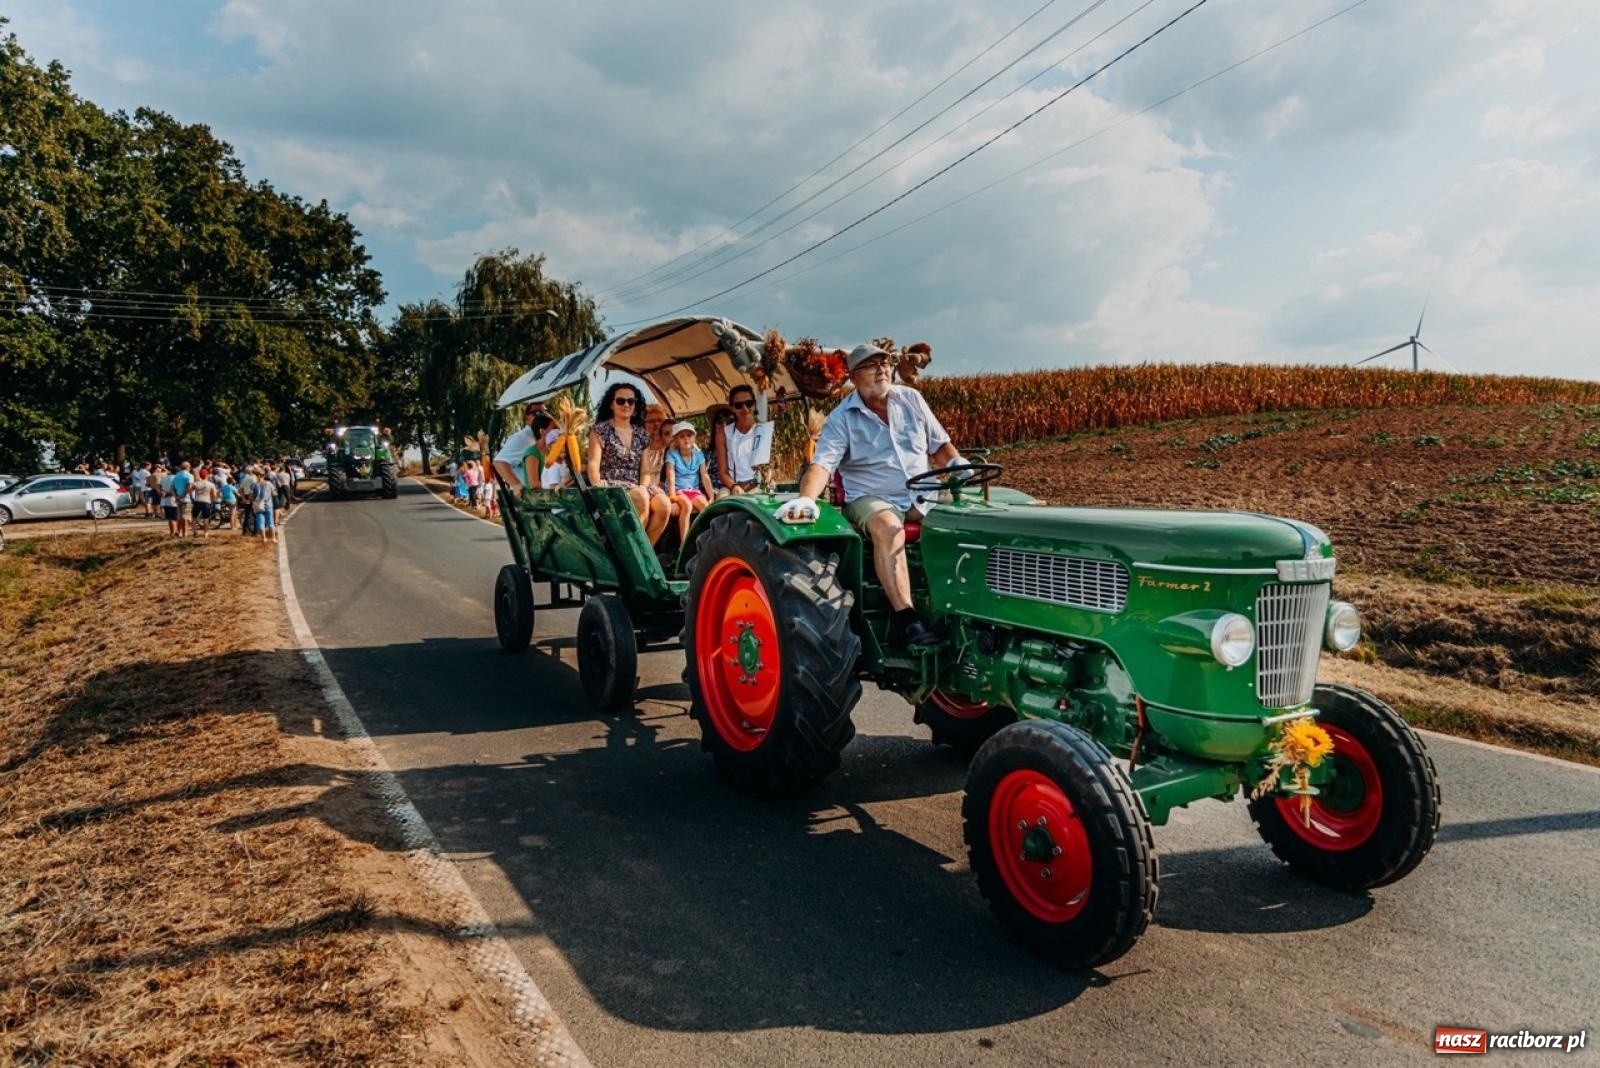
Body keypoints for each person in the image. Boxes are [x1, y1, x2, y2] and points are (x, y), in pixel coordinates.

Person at [782, 343, 966, 648]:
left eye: (885, 363)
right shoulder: (841, 418)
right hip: (872, 497)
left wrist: (959, 467)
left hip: (922, 493)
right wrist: (807, 499)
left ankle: (963, 606)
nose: (882, 368)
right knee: (889, 529)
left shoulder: (912, 399)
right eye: (872, 365)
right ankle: (908, 619)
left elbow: (941, 448)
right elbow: (822, 465)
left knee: (972, 517)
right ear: (854, 377)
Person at [586, 382, 663, 532]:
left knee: (664, 506)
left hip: (637, 485)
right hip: (612, 483)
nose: (626, 404)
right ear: (612, 405)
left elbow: (645, 471)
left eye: (631, 401)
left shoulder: (642, 434)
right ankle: (636, 549)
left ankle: (646, 551)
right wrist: (597, 484)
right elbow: (593, 464)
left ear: (635, 406)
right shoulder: (600, 431)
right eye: (621, 401)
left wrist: (643, 487)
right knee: (641, 497)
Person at [664, 421, 712, 546]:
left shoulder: (698, 455)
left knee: (705, 508)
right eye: (682, 436)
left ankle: (706, 542)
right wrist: (672, 497)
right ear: (676, 440)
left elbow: (704, 476)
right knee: (687, 505)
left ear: (694, 437)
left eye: (689, 435)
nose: (686, 438)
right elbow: (671, 476)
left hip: (693, 490)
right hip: (678, 490)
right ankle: (684, 544)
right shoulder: (672, 455)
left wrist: (711, 496)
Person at [636, 405, 674, 543]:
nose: (656, 424)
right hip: (644, 488)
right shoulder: (639, 447)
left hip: (665, 491)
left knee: (664, 506)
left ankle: (648, 549)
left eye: (659, 420)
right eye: (651, 421)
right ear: (644, 424)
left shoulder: (671, 447)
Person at [715, 385, 761, 494]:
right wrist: (734, 486)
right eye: (738, 405)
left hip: (756, 485)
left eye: (749, 403)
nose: (744, 408)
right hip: (731, 485)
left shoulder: (762, 430)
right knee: (722, 503)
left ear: (754, 405)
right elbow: (722, 473)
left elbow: (769, 467)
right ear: (732, 408)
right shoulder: (724, 433)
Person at [492, 403, 546, 489]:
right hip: (528, 497)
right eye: (537, 413)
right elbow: (499, 462)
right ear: (527, 418)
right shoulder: (522, 437)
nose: (543, 416)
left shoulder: (539, 437)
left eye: (545, 413)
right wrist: (516, 485)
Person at [252, 464, 278, 544]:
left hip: (258, 505)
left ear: (256, 476)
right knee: (270, 522)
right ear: (263, 475)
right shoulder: (269, 484)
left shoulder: (254, 485)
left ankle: (264, 538)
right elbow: (274, 493)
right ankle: (273, 538)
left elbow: (251, 495)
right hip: (268, 504)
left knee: (260, 522)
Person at [190, 472, 217, 537]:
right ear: (207, 475)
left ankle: (195, 532)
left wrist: (192, 498)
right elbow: (214, 495)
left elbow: (190, 491)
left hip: (197, 501)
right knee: (206, 518)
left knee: (194, 517)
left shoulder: (196, 483)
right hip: (206, 502)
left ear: (200, 476)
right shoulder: (211, 484)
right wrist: (212, 501)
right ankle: (205, 533)